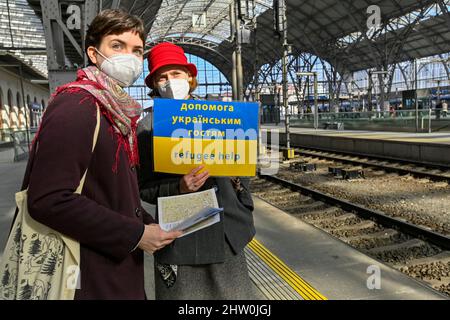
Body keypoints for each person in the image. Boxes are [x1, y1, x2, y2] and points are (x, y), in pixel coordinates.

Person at [22, 10, 181, 299]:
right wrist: (137, 235)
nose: (129, 57)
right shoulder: (78, 105)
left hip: (112, 270)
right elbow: (48, 199)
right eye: (117, 46)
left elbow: (108, 192)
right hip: (88, 277)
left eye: (137, 50)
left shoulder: (114, 108)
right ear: (94, 54)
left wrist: (146, 223)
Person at [137, 42, 256, 300]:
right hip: (180, 238)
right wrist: (179, 187)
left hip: (226, 236)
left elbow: (244, 165)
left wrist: (243, 201)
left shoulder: (221, 115)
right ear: (154, 84)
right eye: (162, 77)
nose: (170, 82)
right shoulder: (147, 127)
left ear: (190, 77)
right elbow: (143, 188)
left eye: (176, 74)